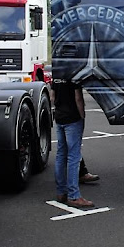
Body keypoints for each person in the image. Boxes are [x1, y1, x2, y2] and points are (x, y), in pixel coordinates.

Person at [51, 78, 94, 208]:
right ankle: (74, 195)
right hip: (72, 118)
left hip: (60, 117)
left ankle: (61, 192)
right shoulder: (74, 76)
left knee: (60, 155)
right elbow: (78, 98)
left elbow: (52, 97)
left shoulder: (56, 75)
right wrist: (82, 116)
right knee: (73, 157)